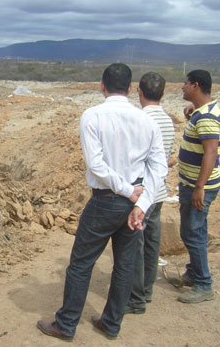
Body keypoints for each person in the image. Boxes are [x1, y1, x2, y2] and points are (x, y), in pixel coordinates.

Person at [36, 63, 168, 341]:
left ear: (102, 86)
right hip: (134, 204)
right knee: (124, 265)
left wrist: (128, 193)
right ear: (131, 88)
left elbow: (96, 165)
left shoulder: (92, 116)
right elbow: (160, 169)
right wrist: (141, 204)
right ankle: (111, 323)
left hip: (106, 201)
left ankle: (66, 324)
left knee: (81, 264)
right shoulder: (147, 121)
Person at [125, 72, 175, 314]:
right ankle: (146, 290)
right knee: (152, 242)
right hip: (159, 191)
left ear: (139, 92)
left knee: (136, 243)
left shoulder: (138, 120)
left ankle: (135, 299)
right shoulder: (168, 120)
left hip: (141, 194)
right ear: (162, 93)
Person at [172, 69, 220, 303]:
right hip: (194, 183)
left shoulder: (206, 117)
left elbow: (210, 153)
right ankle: (194, 274)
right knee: (196, 231)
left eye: (185, 83)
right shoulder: (203, 112)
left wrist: (199, 187)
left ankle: (204, 284)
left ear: (195, 85)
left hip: (198, 185)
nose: (182, 87)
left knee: (192, 232)